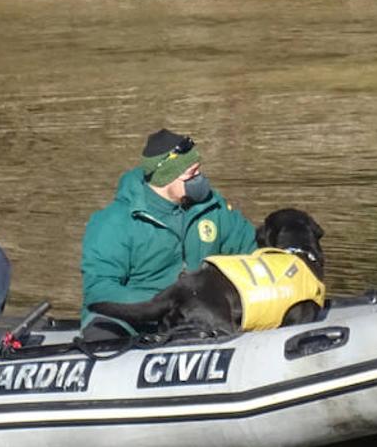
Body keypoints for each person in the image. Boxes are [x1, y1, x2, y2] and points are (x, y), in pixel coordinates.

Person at [80, 129, 256, 336]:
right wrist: (167, 301)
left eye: (198, 171)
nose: (199, 179)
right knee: (102, 331)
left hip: (196, 313)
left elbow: (251, 254)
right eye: (191, 174)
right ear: (165, 178)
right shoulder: (113, 222)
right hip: (132, 318)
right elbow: (99, 288)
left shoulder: (214, 208)